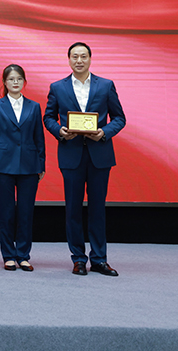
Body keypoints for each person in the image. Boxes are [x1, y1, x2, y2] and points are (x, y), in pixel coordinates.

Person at [44, 42, 126, 276]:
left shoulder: (106, 85)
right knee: (73, 209)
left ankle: (99, 259)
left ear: (90, 59)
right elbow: (48, 117)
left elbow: (119, 118)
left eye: (83, 56)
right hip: (71, 155)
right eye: (75, 56)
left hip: (99, 154)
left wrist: (104, 132)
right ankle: (78, 259)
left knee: (97, 209)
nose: (79, 60)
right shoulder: (57, 87)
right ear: (68, 60)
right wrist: (59, 131)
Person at [0, 64, 46, 271]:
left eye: (19, 79)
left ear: (24, 82)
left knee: (26, 212)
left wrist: (41, 163)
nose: (15, 82)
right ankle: (8, 255)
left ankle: (23, 255)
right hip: (2, 165)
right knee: (6, 212)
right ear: (5, 82)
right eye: (11, 79)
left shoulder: (34, 106)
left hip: (29, 165)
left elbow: (39, 137)